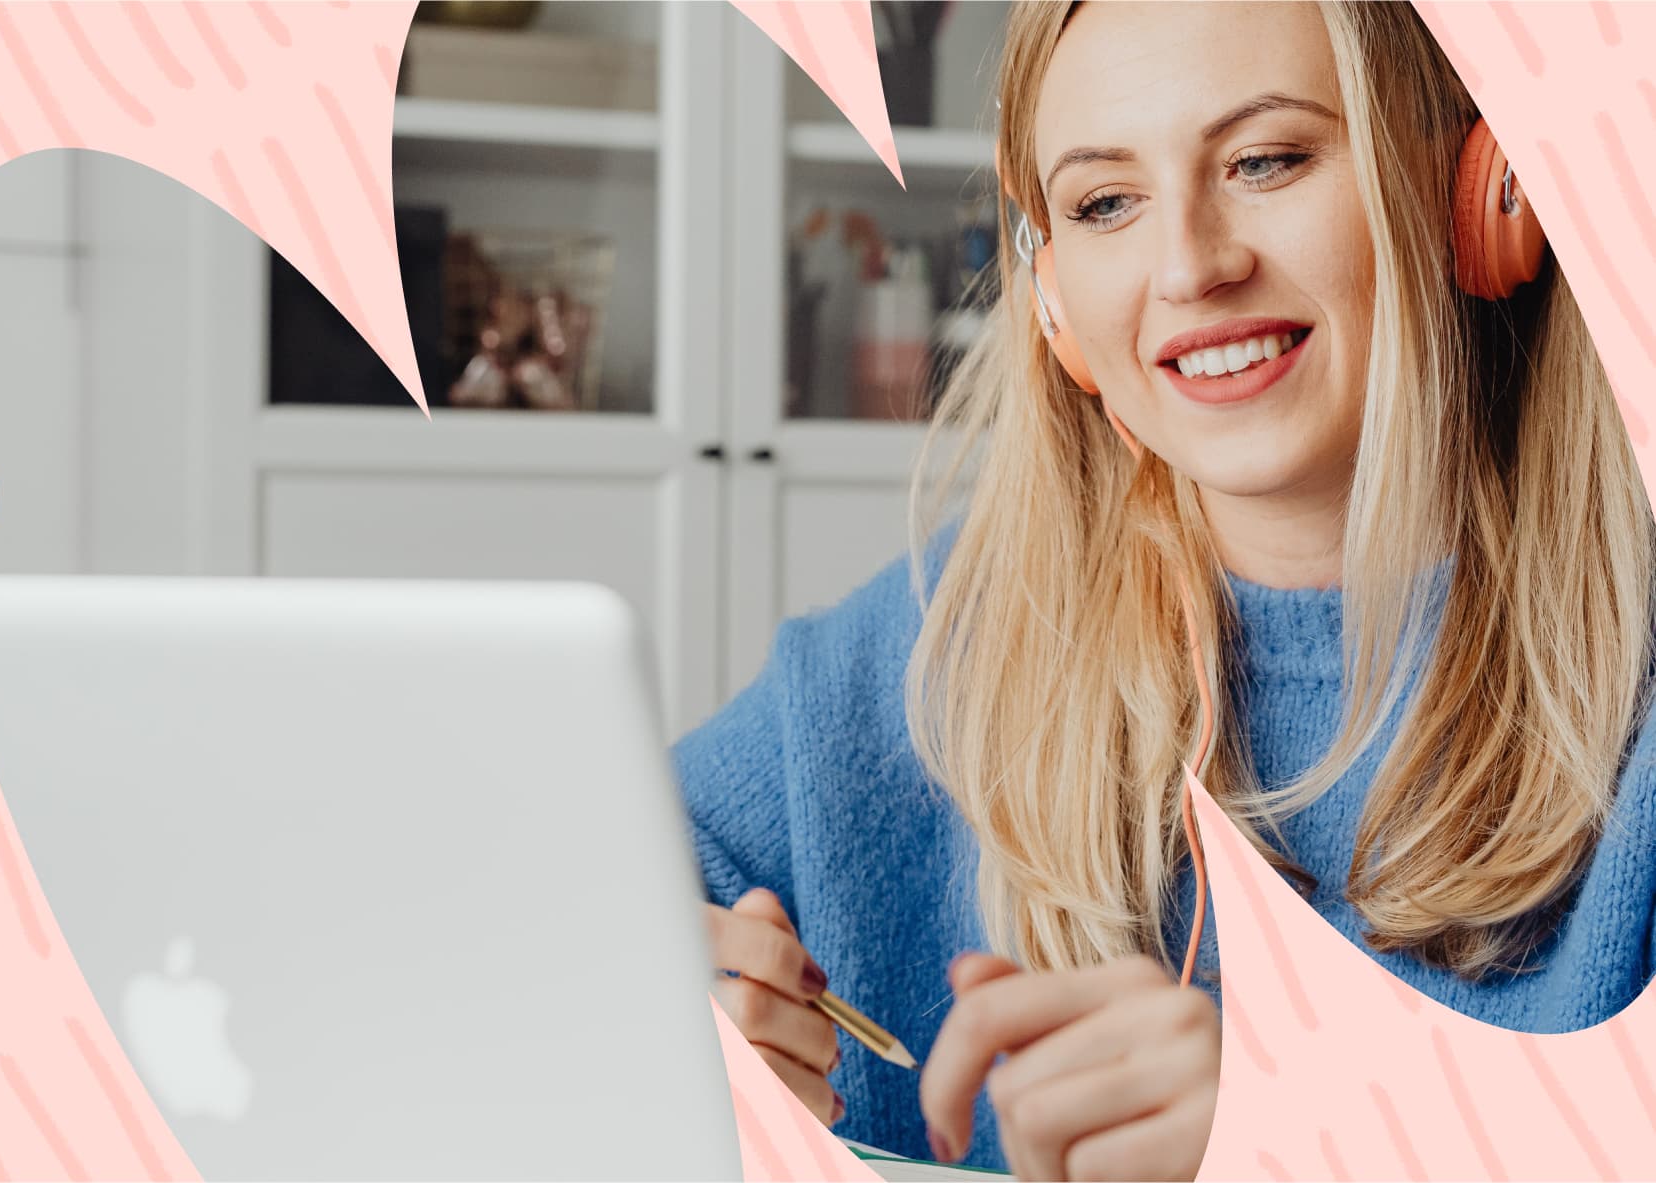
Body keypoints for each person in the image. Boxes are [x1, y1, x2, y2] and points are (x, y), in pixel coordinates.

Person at [674, 2, 1656, 1179]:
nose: (1191, 265)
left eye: (1265, 160)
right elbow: (541, 905)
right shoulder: (938, 640)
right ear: (1050, 296)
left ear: (1479, 192)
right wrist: (638, 1010)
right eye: (1102, 203)